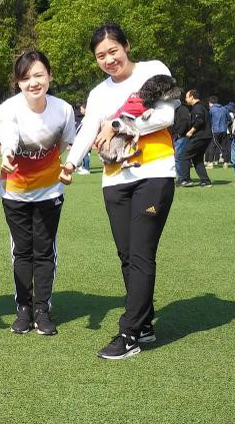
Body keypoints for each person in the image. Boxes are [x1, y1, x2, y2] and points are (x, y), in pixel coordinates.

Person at [60, 24, 177, 360]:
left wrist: (116, 125)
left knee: (140, 253)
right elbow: (88, 130)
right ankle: (145, 321)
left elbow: (166, 116)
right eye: (101, 56)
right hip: (114, 179)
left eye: (113, 51)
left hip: (153, 173)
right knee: (127, 255)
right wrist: (71, 163)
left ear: (127, 45)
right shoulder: (98, 93)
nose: (109, 60)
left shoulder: (153, 70)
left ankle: (129, 333)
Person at [0, 51, 76, 336]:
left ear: (50, 76)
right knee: (22, 251)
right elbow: (9, 135)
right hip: (15, 193)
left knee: (44, 251)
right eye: (26, 77)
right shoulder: (7, 109)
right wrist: (8, 154)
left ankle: (42, 309)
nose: (33, 83)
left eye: (39, 75)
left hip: (49, 192)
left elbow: (66, 144)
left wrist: (61, 167)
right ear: (18, 82)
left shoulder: (63, 110)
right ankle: (23, 308)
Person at [180, 90, 212, 187]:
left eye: (187, 97)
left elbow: (199, 120)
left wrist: (191, 131)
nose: (185, 99)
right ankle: (205, 181)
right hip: (206, 136)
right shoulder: (202, 106)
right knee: (197, 159)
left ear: (192, 97)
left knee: (184, 155)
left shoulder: (197, 107)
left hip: (199, 136)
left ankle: (186, 180)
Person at [172, 100, 191, 184]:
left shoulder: (182, 109)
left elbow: (185, 121)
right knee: (178, 157)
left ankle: (182, 178)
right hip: (178, 136)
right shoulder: (179, 109)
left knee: (178, 157)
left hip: (181, 137)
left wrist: (179, 134)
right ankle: (182, 177)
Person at [207, 95, 229, 168]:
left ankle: (211, 162)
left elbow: (208, 120)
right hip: (224, 130)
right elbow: (229, 119)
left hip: (215, 130)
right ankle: (225, 162)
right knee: (224, 146)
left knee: (212, 146)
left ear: (210, 103)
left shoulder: (212, 110)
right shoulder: (224, 109)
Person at [73, 104, 91, 175]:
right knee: (83, 153)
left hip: (85, 138)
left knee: (85, 154)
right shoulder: (86, 117)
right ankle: (82, 167)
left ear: (85, 108)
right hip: (85, 137)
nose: (80, 111)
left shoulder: (88, 117)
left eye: (81, 109)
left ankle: (86, 169)